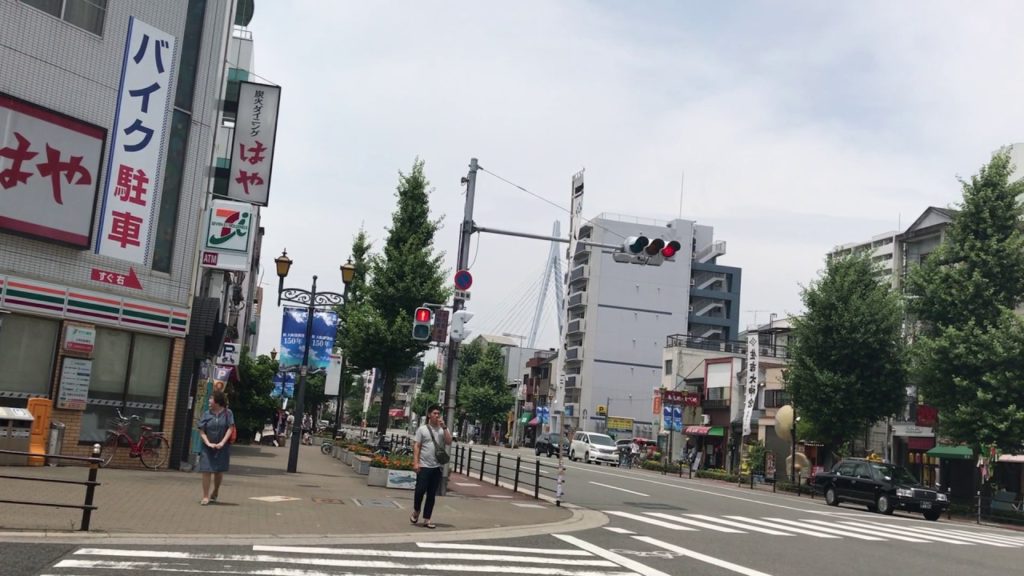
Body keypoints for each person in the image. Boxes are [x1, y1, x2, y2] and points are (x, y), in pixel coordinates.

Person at [410, 404, 451, 529]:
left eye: (438, 413)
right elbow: (417, 446)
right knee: (420, 490)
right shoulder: (422, 429)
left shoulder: (442, 429)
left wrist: (444, 428)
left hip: (436, 466)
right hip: (424, 465)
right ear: (429, 415)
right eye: (434, 413)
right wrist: (416, 462)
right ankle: (416, 510)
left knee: (431, 494)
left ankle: (427, 519)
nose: (437, 416)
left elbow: (449, 442)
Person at [197, 390, 234, 506]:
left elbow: (230, 428)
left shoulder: (228, 413)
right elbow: (201, 430)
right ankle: (205, 496)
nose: (209, 401)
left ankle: (216, 490)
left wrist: (222, 442)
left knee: (218, 471)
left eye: (211, 399)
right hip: (207, 447)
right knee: (206, 470)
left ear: (217, 401)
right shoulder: (206, 414)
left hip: (222, 447)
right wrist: (208, 443)